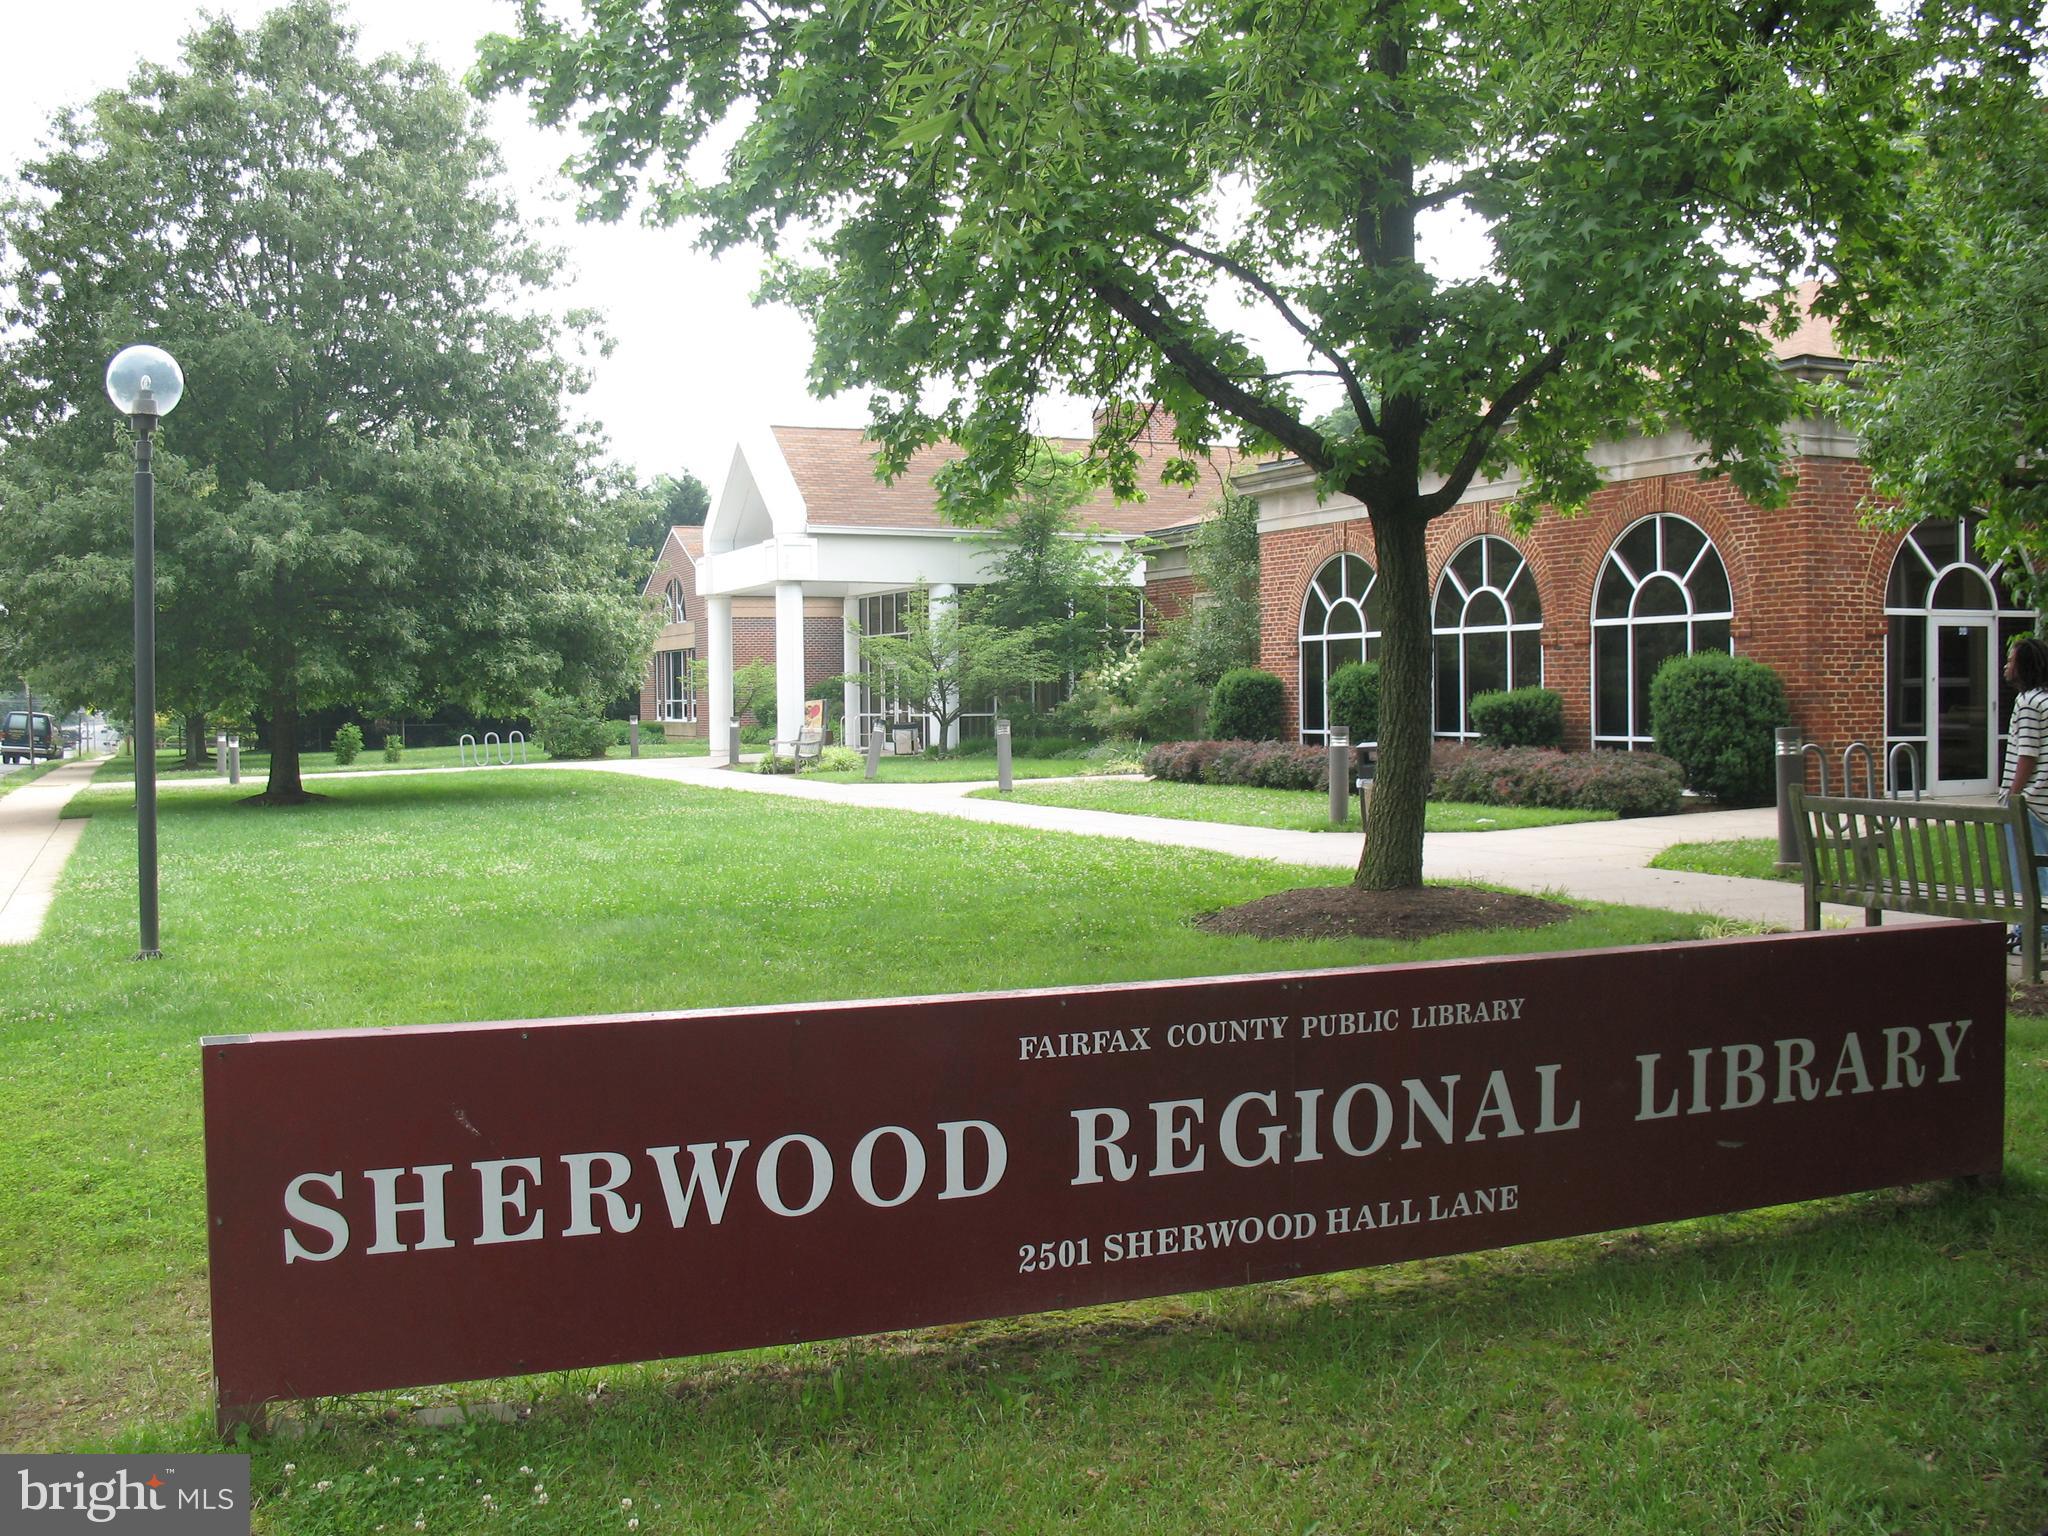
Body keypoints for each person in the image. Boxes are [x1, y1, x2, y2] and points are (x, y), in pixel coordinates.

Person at [2002, 635, 2048, 950]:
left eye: (2011, 660)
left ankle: (2032, 933)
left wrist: (2013, 797)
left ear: (2024, 667)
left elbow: (2027, 754)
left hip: (2029, 804)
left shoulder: (2029, 702)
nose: (2006, 666)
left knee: (2026, 874)